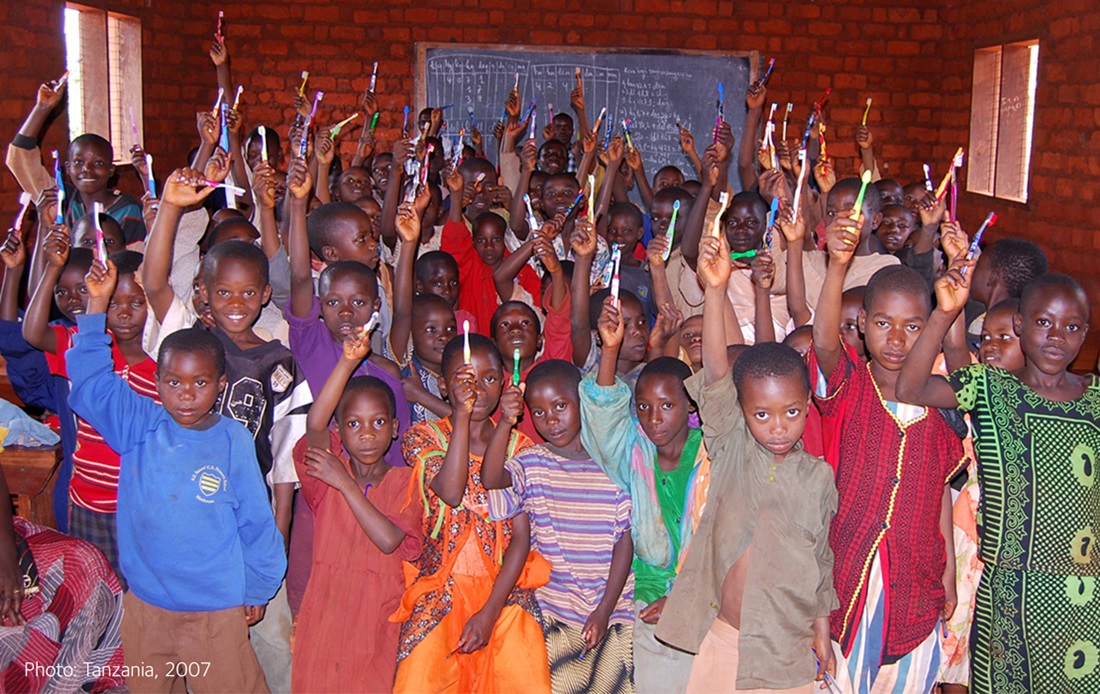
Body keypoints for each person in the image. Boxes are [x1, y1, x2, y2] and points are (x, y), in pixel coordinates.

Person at [65, 258, 285, 692]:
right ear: (158, 381)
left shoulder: (233, 442)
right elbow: (89, 386)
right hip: (148, 606)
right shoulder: (140, 426)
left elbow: (257, 524)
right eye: (173, 382)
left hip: (217, 609)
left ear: (220, 383)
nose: (186, 395)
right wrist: (94, 306)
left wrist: (257, 588)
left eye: (200, 383)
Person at [896, 270, 1100, 694]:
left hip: (1085, 592)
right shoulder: (990, 388)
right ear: (1021, 325)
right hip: (1010, 589)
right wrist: (944, 314)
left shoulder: (1096, 400)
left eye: (1072, 326)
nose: (1057, 336)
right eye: (1044, 322)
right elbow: (911, 387)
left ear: (1085, 334)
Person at [657, 232, 837, 693]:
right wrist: (714, 293)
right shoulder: (733, 448)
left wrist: (822, 631)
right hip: (724, 638)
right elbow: (717, 376)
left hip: (786, 649)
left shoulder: (817, 477)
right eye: (761, 414)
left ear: (808, 404)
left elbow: (821, 559)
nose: (778, 427)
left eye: (791, 412)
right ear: (741, 412)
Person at [809, 207, 964, 692]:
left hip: (916, 579)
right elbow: (823, 341)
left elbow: (940, 488)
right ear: (860, 325)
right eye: (882, 323)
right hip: (848, 572)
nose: (895, 339)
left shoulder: (938, 404)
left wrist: (950, 574)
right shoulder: (851, 384)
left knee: (908, 679)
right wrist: (837, 265)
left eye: (913, 327)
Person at [393, 334, 551, 693]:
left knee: (521, 675)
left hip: (505, 593)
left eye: (490, 378)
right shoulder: (423, 438)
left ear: (506, 382)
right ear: (444, 387)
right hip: (441, 590)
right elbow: (450, 492)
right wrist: (460, 418)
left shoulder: (520, 448)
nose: (478, 389)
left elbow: (521, 538)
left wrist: (490, 612)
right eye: (465, 380)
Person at [580, 298, 711, 692]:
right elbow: (602, 417)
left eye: (667, 406)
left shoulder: (712, 454)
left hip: (705, 597)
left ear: (690, 403)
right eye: (644, 407)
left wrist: (686, 598)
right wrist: (610, 348)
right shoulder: (633, 452)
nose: (654, 418)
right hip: (643, 597)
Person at [484, 360, 635, 693]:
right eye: (537, 412)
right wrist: (504, 423)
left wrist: (603, 611)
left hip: (611, 609)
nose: (550, 420)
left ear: (581, 402)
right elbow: (491, 478)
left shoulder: (612, 465)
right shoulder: (532, 464)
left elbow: (624, 544)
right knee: (563, 685)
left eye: (560, 406)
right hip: (555, 609)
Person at [291, 329, 421, 693]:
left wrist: (345, 483)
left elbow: (388, 539)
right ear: (340, 431)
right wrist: (348, 361)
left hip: (377, 616)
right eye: (353, 423)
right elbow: (315, 424)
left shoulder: (406, 482)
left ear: (395, 429)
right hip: (326, 611)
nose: (367, 433)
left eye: (378, 422)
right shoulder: (326, 474)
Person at [23, 241, 154, 586]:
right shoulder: (87, 347)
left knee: (138, 595)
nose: (124, 312)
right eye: (112, 303)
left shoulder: (164, 364)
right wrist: (51, 267)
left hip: (141, 507)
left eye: (137, 302)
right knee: (92, 593)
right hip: (88, 499)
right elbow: (33, 334)